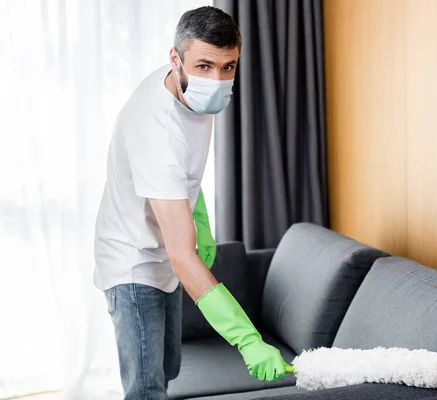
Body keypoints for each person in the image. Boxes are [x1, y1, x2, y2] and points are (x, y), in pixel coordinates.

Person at [93, 6, 290, 399]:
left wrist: (199, 220)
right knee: (147, 389)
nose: (216, 79)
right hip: (133, 261)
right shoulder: (155, 131)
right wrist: (247, 339)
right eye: (204, 66)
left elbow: (187, 173)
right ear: (175, 58)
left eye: (228, 67)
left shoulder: (196, 94)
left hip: (164, 251)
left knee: (170, 368)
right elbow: (183, 257)